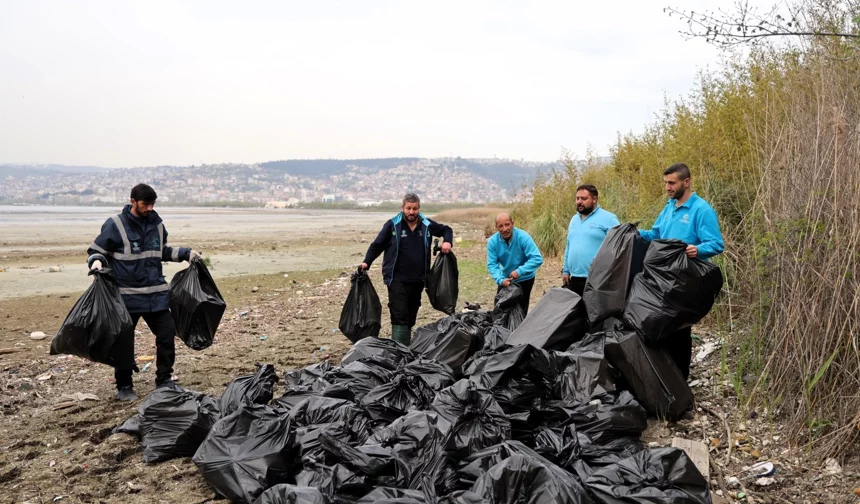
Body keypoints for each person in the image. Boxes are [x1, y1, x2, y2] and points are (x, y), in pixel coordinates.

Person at [86, 184, 201, 401]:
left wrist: (187, 253)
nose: (149, 208)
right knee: (123, 343)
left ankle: (164, 380)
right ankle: (124, 386)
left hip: (156, 296)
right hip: (126, 298)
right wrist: (96, 263)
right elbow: (97, 251)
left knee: (167, 336)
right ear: (133, 202)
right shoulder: (116, 225)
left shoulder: (157, 225)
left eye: (152, 204)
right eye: (145, 204)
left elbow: (161, 251)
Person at [639, 163, 724, 380]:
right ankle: (663, 380)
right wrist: (633, 232)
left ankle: (680, 384)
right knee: (658, 327)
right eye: (666, 182)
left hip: (683, 282)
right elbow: (656, 234)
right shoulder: (669, 207)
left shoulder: (701, 210)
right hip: (661, 279)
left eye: (671, 183)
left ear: (686, 182)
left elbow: (716, 243)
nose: (667, 187)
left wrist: (698, 250)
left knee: (679, 331)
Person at [361, 193, 454, 346]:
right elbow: (377, 245)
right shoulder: (392, 225)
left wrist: (447, 242)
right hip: (396, 278)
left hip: (418, 280)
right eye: (408, 208)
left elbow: (446, 230)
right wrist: (366, 262)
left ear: (419, 208)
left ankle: (403, 345)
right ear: (402, 208)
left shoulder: (427, 225)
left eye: (415, 208)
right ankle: (399, 350)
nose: (411, 212)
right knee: (399, 314)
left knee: (411, 315)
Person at [562, 184, 620, 296]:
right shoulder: (574, 219)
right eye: (577, 198)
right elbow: (569, 245)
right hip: (574, 278)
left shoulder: (609, 219)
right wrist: (565, 270)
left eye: (584, 199)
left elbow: (619, 247)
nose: (579, 202)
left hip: (597, 279)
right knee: (575, 312)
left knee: (594, 312)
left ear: (594, 199)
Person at [486, 212, 544, 315]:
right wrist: (500, 280)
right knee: (500, 310)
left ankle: (519, 330)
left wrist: (520, 271)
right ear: (496, 227)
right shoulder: (493, 242)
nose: (505, 229)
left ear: (513, 223)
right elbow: (492, 265)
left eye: (507, 224)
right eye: (501, 226)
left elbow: (537, 258)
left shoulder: (523, 237)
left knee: (520, 311)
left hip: (525, 278)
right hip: (505, 279)